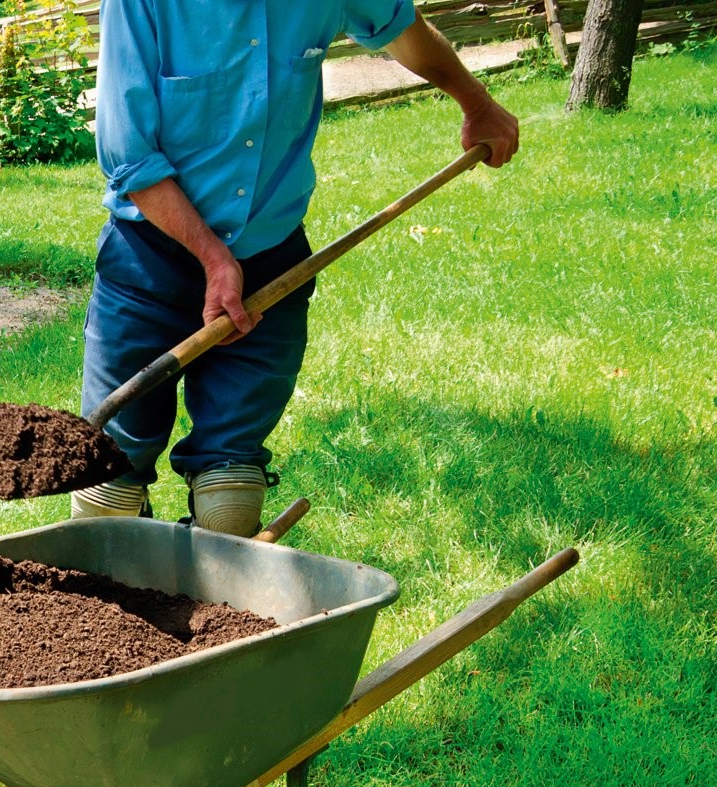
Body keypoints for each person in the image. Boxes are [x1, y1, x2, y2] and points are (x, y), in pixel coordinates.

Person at [70, 0, 519, 535]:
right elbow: (128, 154)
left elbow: (404, 30)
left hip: (272, 265)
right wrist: (214, 258)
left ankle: (215, 593)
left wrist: (477, 102)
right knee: (105, 489)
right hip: (149, 263)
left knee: (230, 499)